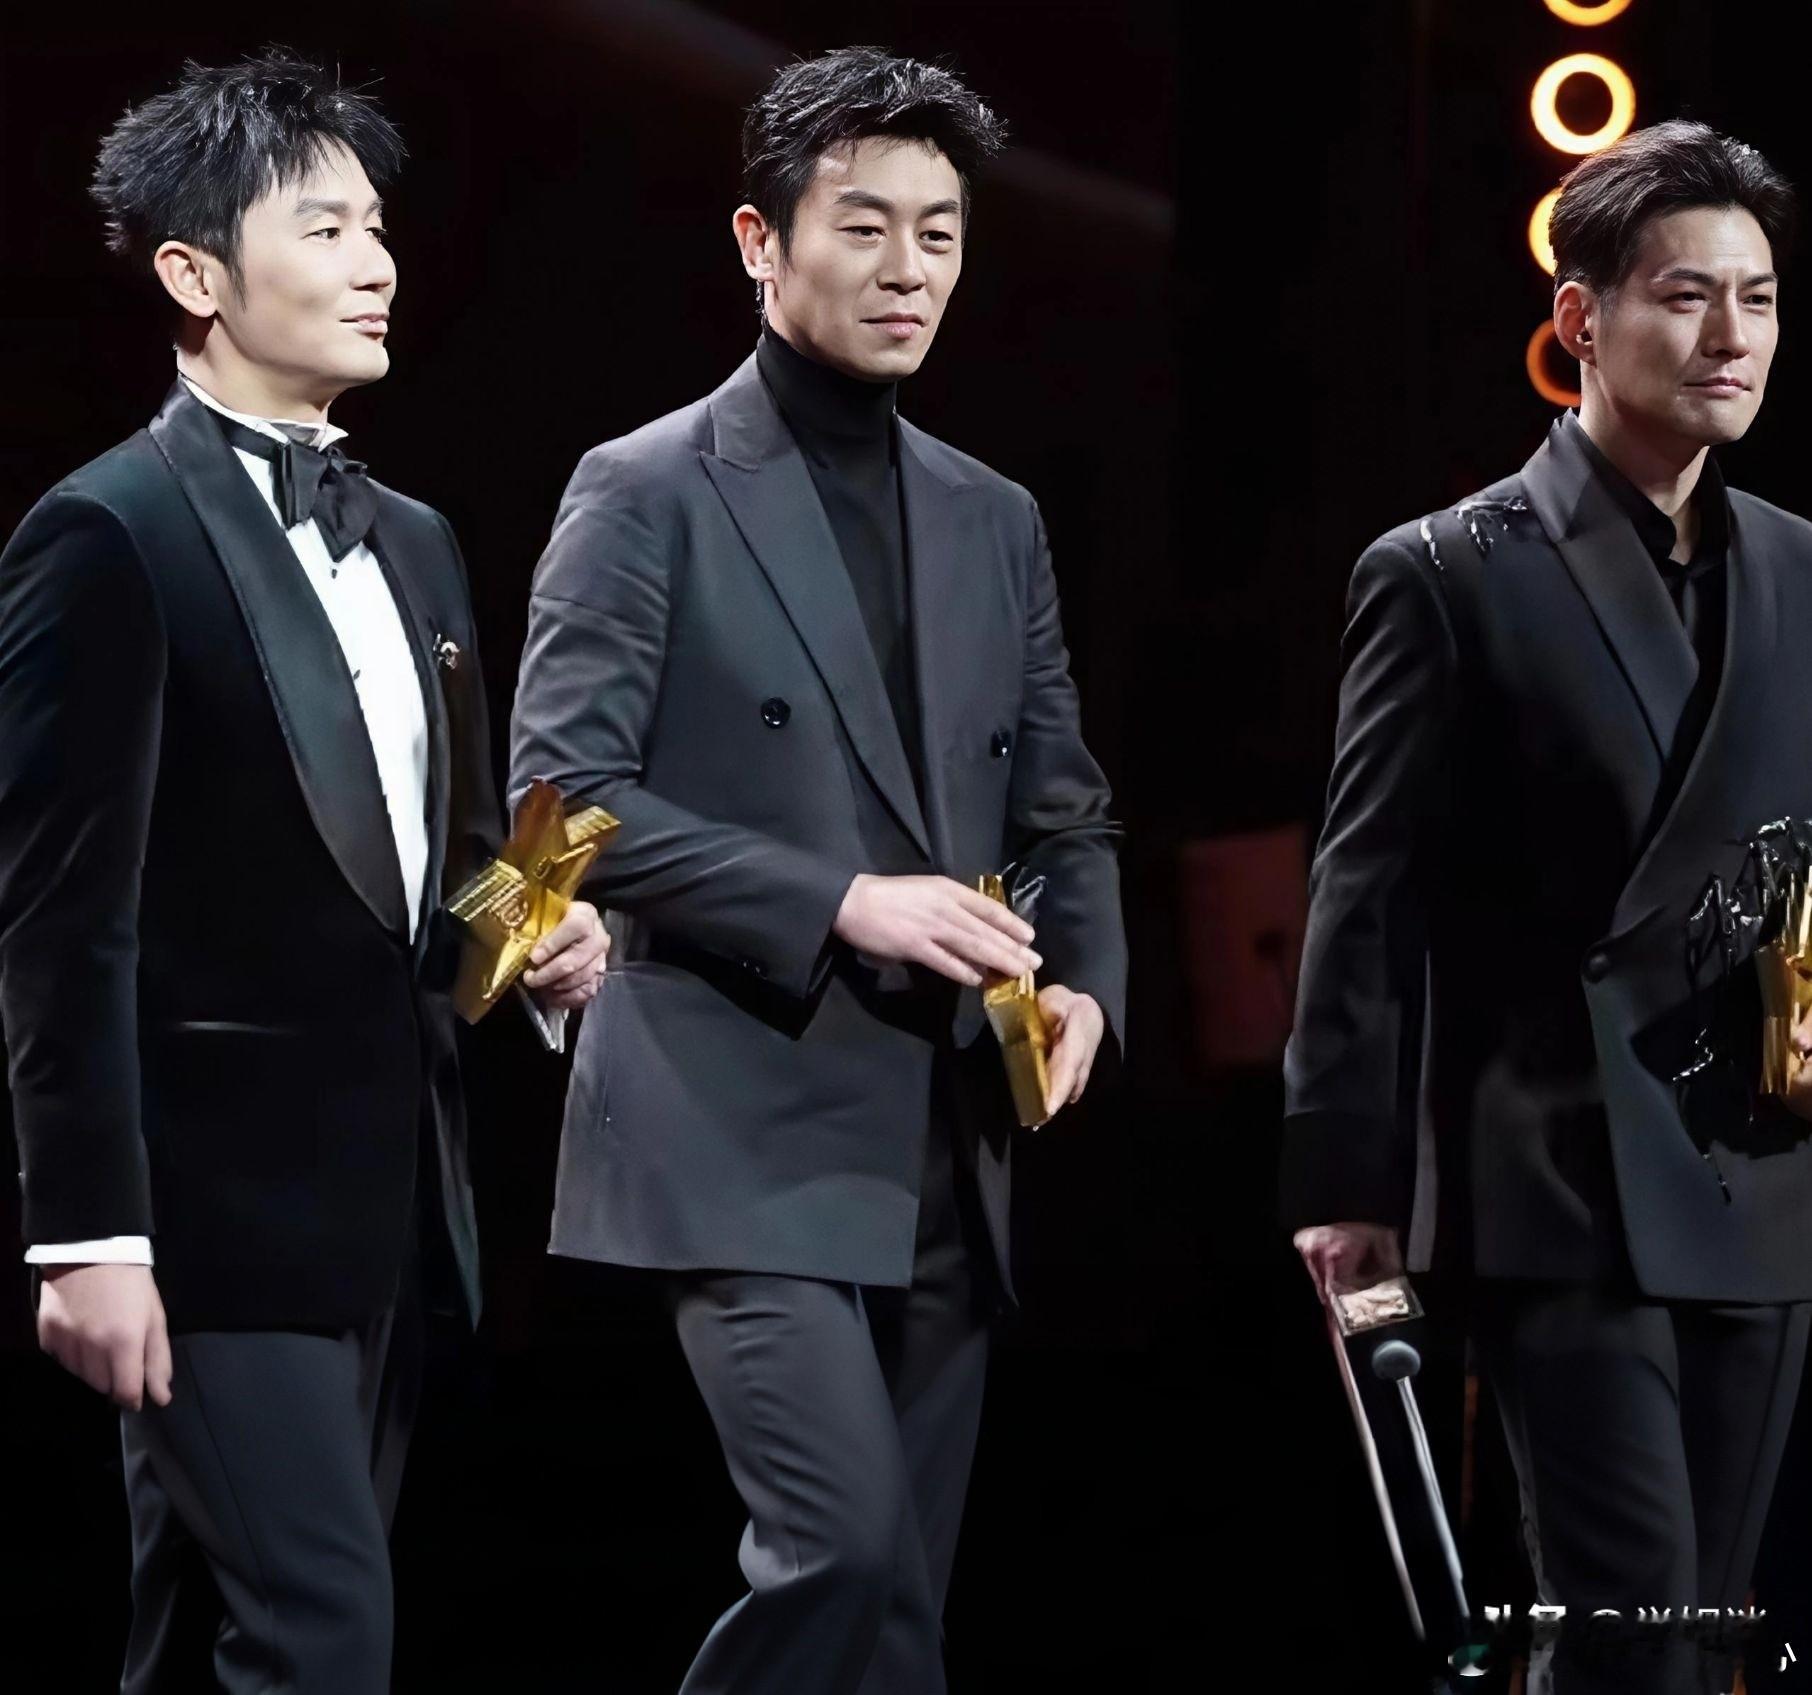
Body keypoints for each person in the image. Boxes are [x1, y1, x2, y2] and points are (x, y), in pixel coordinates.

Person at [509, 45, 1126, 1695]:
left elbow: (1066, 810)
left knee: (900, 1616)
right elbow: (560, 806)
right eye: (864, 226)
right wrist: (840, 898)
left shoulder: (993, 514)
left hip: (948, 1120)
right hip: (735, 1111)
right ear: (760, 241)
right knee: (842, 1553)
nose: (908, 268)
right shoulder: (646, 487)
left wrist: (1084, 981)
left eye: (940, 232)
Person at [0, 49, 607, 1694]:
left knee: (207, 1639)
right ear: (195, 277)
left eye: (379, 227)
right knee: (320, 1637)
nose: (375, 262)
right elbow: (61, 923)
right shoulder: (108, 532)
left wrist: (545, 940)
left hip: (387, 1206)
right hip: (205, 1221)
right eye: (324, 229)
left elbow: (456, 868)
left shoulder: (416, 538)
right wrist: (86, 1237)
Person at [1284, 120, 1812, 1692]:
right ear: (1581, 318)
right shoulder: (1447, 570)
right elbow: (1364, 895)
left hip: (1762, 1162)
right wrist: (1346, 1184)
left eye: (1759, 300)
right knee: (1628, 1616)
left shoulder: (1800, 569)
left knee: (1695, 1630)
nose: (1731, 338)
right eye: (1686, 297)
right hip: (1555, 1173)